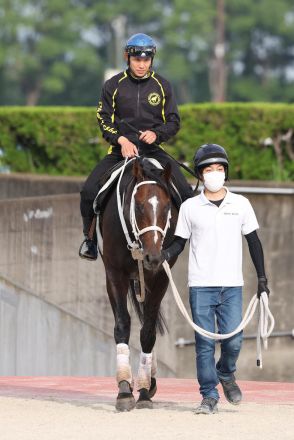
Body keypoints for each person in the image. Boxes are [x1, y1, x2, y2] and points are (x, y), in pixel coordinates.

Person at [161, 143, 270, 414]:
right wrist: (161, 255)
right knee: (204, 345)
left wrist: (262, 279)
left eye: (219, 168)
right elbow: (179, 243)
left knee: (233, 341)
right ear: (200, 174)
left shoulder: (241, 204)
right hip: (201, 286)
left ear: (226, 172)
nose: (214, 173)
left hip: (232, 285)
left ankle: (226, 372)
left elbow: (254, 242)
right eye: (209, 169)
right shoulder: (189, 207)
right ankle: (209, 395)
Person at [79, 33, 194, 260]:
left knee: (188, 195)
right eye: (136, 60)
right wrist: (121, 140)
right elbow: (104, 119)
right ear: (127, 58)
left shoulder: (163, 86)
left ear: (152, 59)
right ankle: (90, 241)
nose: (141, 65)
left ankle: (192, 239)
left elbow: (173, 121)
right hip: (120, 151)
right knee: (88, 191)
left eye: (146, 60)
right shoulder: (113, 85)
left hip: (153, 151)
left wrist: (157, 134)